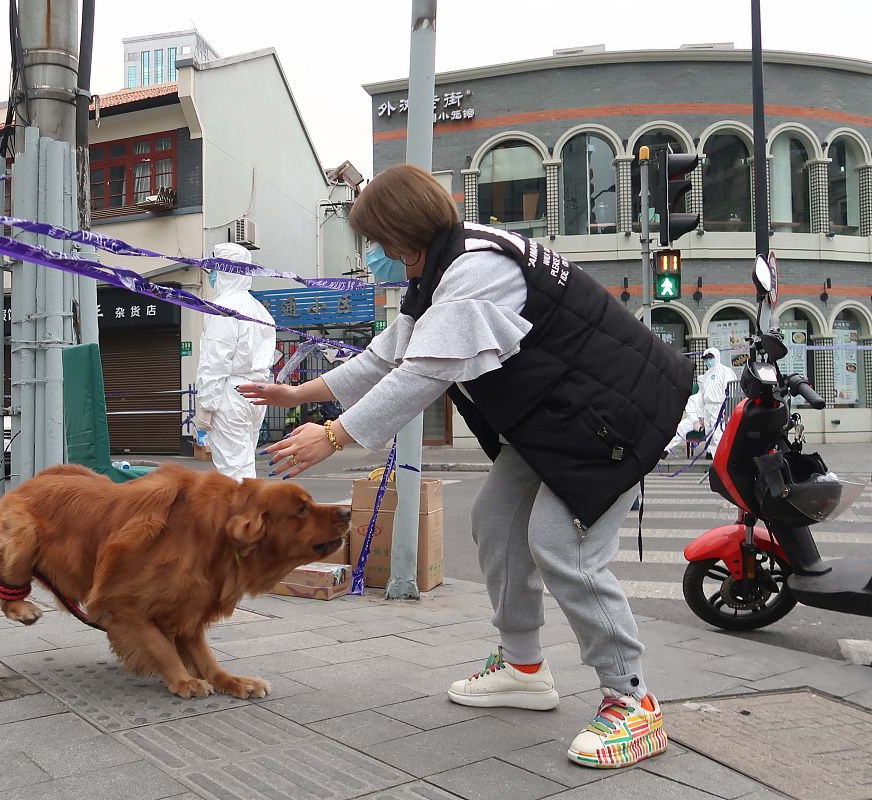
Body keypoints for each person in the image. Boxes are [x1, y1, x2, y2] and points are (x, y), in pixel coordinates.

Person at [238, 164, 691, 769]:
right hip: (559, 420)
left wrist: (334, 435)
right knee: (496, 520)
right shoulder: (443, 269)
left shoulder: (478, 269)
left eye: (378, 241)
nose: (376, 254)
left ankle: (632, 700)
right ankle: (523, 667)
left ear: (404, 234)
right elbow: (388, 356)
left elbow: (425, 373)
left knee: (564, 545)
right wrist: (298, 394)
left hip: (614, 418)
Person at [194, 242, 277, 479]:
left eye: (213, 269)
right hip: (256, 393)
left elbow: (215, 361)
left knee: (233, 471)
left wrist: (206, 405)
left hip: (230, 395)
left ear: (223, 270)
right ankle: (251, 502)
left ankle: (244, 504)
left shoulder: (223, 308)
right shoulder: (259, 309)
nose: (210, 275)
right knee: (245, 464)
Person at [698, 347, 738, 457]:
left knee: (717, 433)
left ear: (717, 357)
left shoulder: (725, 371)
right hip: (707, 406)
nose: (708, 360)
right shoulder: (706, 375)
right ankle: (711, 454)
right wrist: (700, 413)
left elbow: (731, 391)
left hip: (719, 406)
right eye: (706, 358)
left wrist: (727, 408)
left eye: (710, 357)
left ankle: (720, 456)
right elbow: (702, 395)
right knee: (709, 432)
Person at [663, 381, 704, 458]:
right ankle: (666, 450)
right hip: (694, 421)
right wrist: (696, 421)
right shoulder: (693, 398)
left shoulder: (711, 398)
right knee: (681, 428)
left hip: (709, 420)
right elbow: (690, 411)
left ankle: (711, 453)